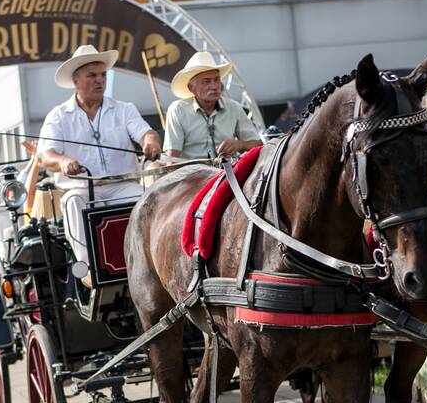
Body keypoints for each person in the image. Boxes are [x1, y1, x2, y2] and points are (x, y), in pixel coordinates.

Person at [38, 44, 161, 270]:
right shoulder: (58, 116)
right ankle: (89, 269)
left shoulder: (124, 109)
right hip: (82, 188)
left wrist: (150, 142)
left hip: (122, 184)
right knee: (73, 202)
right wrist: (63, 161)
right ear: (76, 81)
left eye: (103, 75)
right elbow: (46, 155)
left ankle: (146, 265)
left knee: (142, 199)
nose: (100, 80)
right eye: (92, 75)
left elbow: (146, 133)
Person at [163, 51, 261, 160]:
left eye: (217, 80)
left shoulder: (234, 108)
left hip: (228, 172)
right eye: (206, 82)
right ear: (191, 88)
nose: (214, 86)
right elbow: (172, 158)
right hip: (192, 174)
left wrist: (239, 145)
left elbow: (258, 145)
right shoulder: (178, 110)